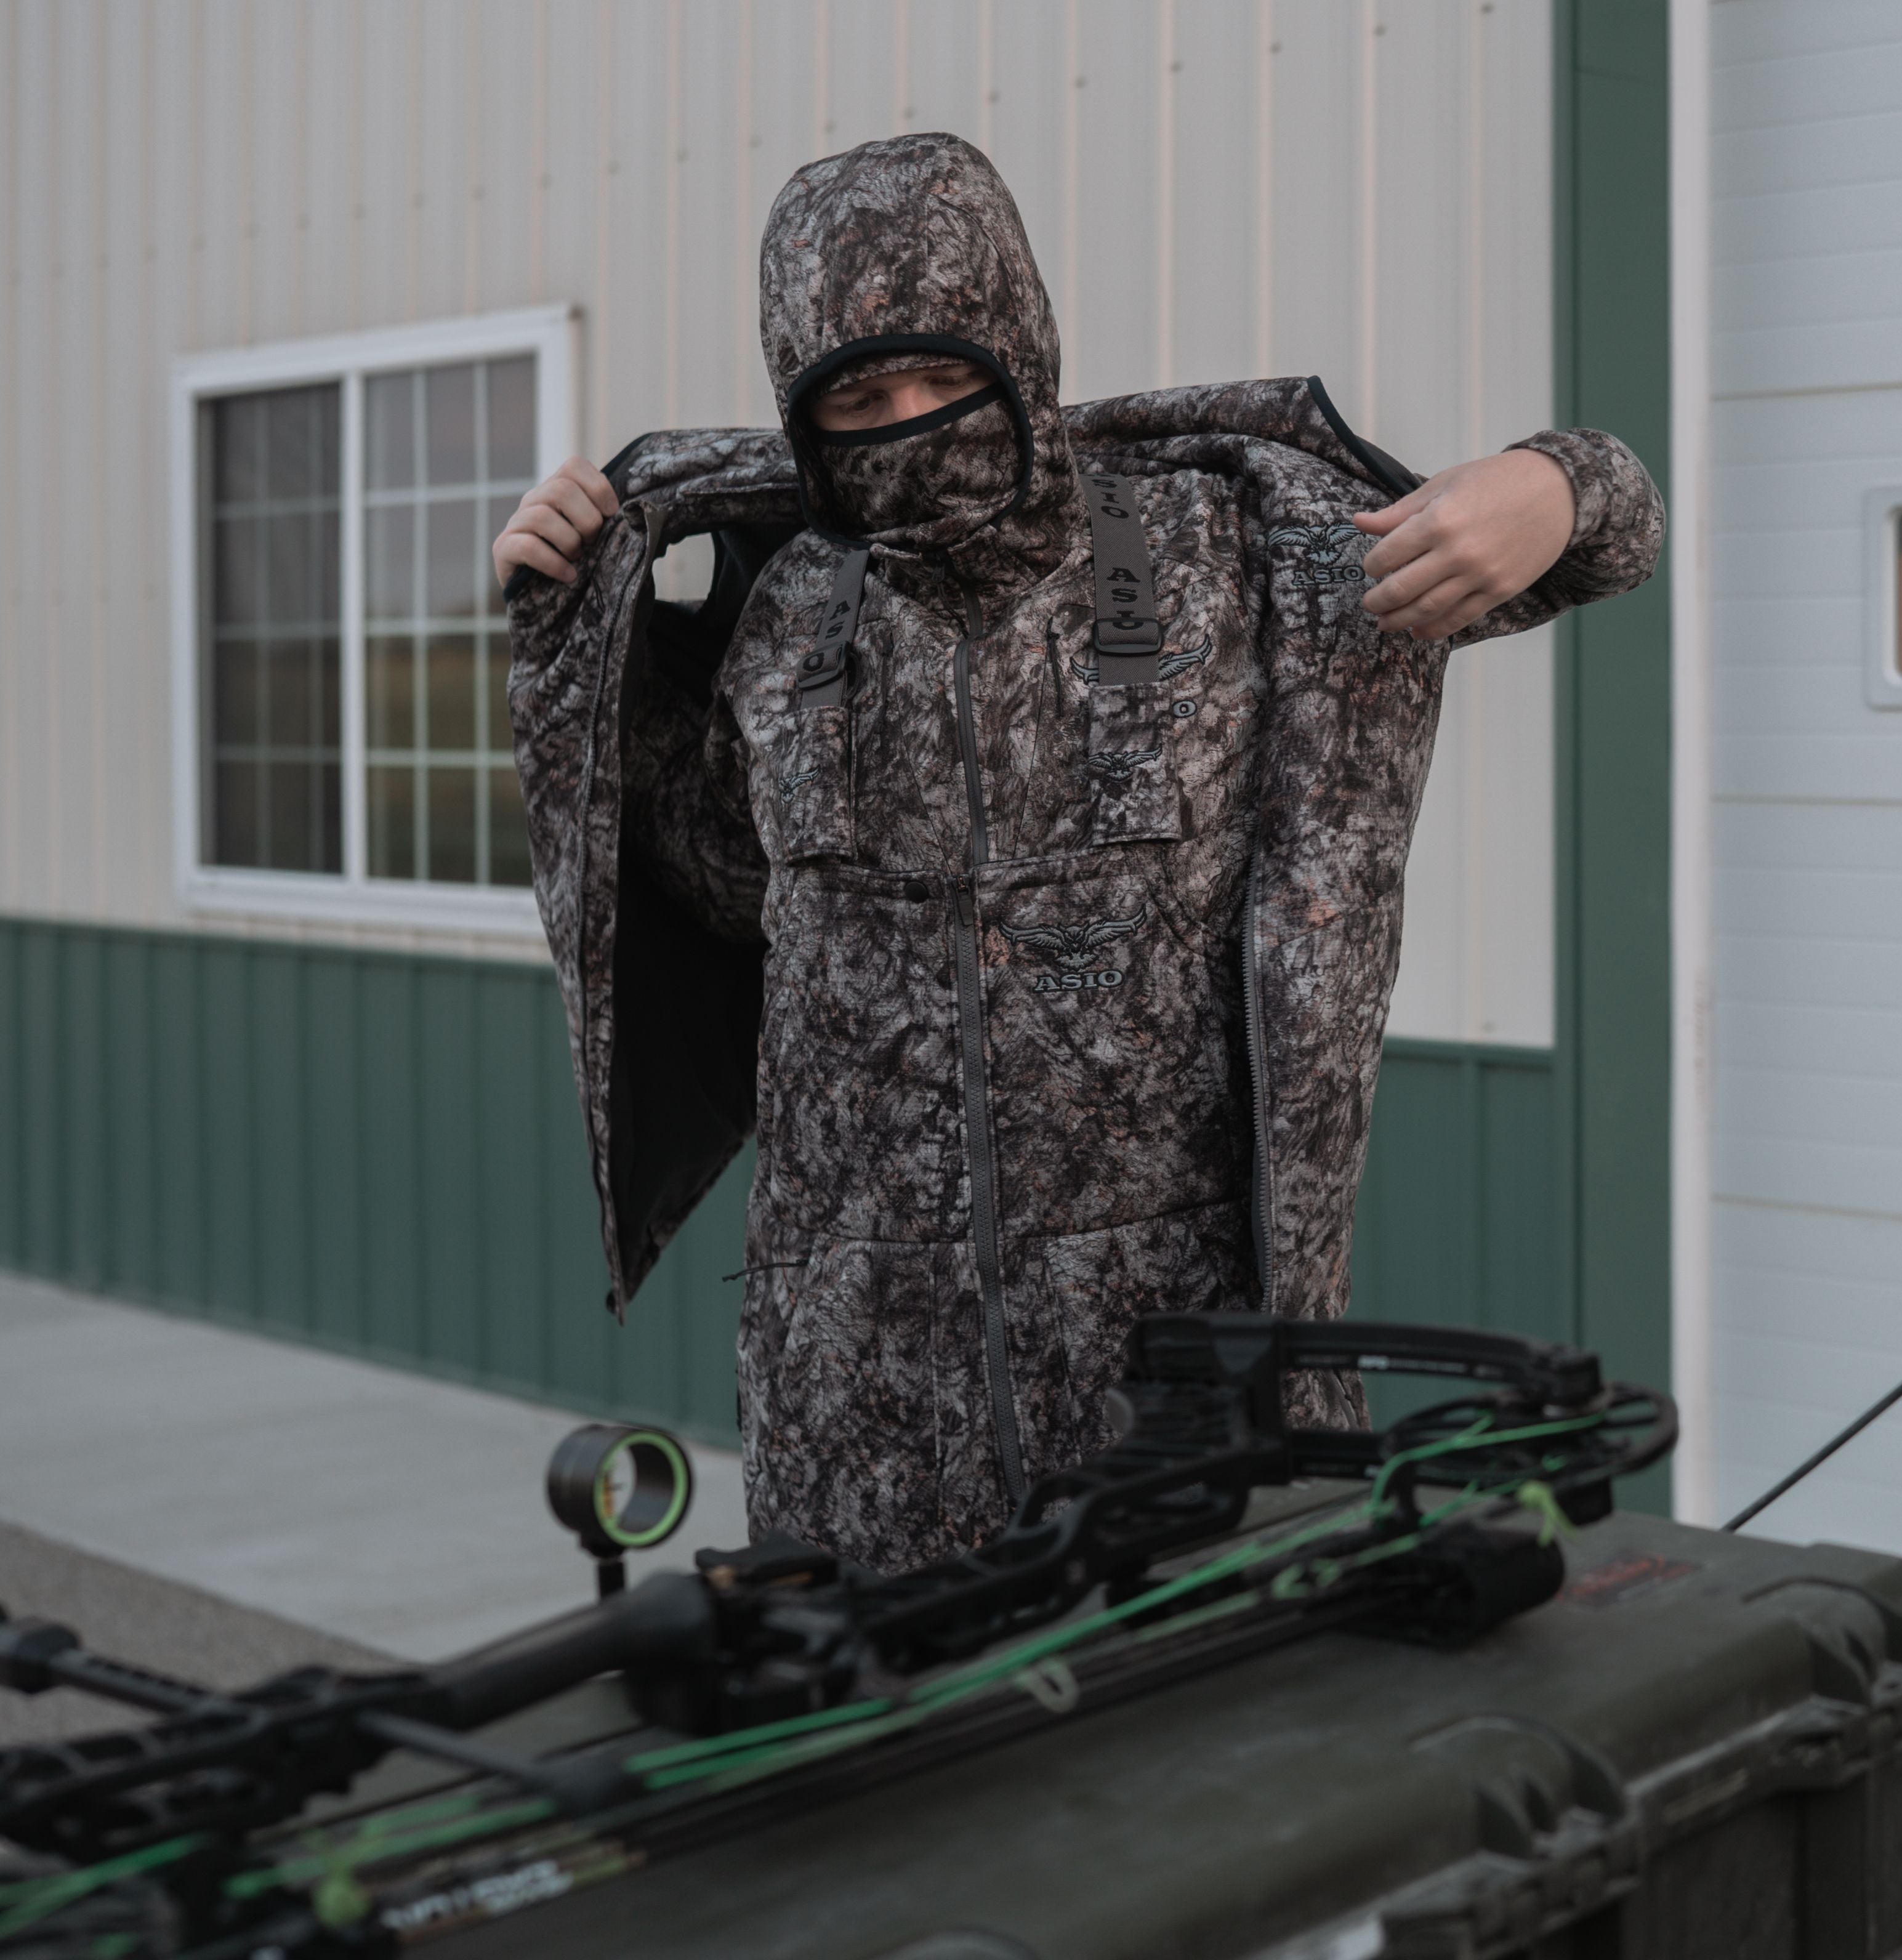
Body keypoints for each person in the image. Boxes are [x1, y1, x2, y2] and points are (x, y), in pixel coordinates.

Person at [495, 133, 1662, 1574]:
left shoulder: (1212, 546)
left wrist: (1552, 482)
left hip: (1161, 1374)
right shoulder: (793, 608)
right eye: (857, 395)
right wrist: (575, 643)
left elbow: (1609, 532)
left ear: (1020, 343)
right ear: (799, 411)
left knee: (1193, 1765)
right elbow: (735, 886)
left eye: (944, 372)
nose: (911, 421)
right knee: (889, 1780)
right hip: (852, 1390)